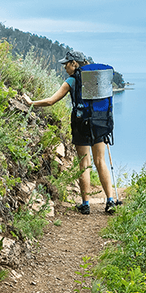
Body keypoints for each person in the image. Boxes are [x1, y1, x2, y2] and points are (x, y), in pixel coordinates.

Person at [29, 50, 117, 215]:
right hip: (100, 123)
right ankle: (110, 201)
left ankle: (86, 204)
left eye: (66, 64)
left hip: (81, 125)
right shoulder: (97, 77)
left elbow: (51, 101)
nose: (64, 67)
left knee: (84, 164)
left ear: (74, 64)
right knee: (100, 161)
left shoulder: (73, 79)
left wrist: (31, 103)